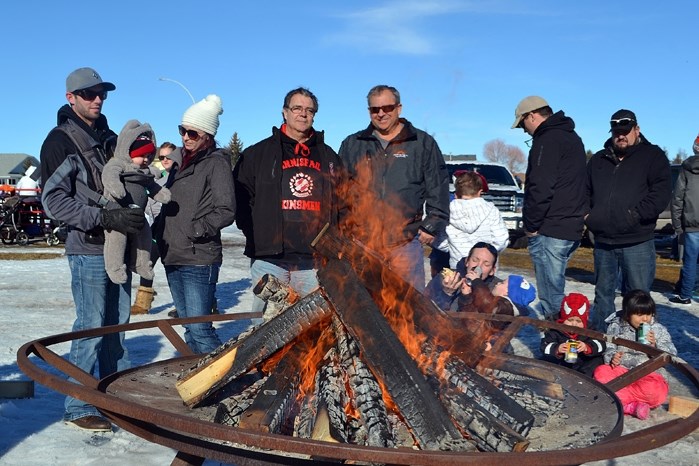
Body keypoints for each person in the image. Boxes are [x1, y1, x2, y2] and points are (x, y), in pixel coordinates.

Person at [40, 67, 144, 432]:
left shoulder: (110, 138)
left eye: (101, 93)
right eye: (88, 94)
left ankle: (116, 396)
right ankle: (78, 405)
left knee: (117, 326)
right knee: (91, 326)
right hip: (87, 249)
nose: (97, 99)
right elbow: (53, 202)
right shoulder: (59, 141)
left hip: (121, 248)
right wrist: (104, 218)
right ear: (71, 98)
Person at [234, 87, 344, 315]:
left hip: (313, 261)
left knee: (311, 328)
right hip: (270, 258)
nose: (303, 114)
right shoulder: (258, 154)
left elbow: (343, 202)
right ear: (285, 112)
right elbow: (241, 198)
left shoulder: (328, 156)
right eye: (297, 108)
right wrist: (256, 234)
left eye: (309, 110)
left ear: (314, 115)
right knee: (264, 328)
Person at [338, 85, 450, 292]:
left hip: (404, 244)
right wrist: (345, 228)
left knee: (408, 307)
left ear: (399, 108)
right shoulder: (354, 144)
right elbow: (339, 190)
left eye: (387, 107)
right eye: (375, 109)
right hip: (363, 243)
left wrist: (431, 225)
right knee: (362, 307)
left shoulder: (421, 143)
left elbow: (438, 187)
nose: (381, 113)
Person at [154, 94, 235, 354]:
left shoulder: (216, 164)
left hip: (198, 257)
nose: (186, 137)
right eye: (183, 130)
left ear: (207, 136)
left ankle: (225, 384)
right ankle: (197, 382)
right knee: (189, 327)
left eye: (193, 133)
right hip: (174, 254)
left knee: (200, 328)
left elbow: (226, 210)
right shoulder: (180, 165)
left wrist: (195, 229)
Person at [585, 110, 672, 330]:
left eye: (625, 131)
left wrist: (635, 216)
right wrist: (589, 217)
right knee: (602, 296)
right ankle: (601, 343)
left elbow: (660, 194)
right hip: (604, 241)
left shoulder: (653, 156)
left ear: (637, 130)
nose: (621, 136)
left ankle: (638, 345)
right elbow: (584, 193)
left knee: (638, 298)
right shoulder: (598, 159)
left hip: (638, 240)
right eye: (616, 132)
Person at [511, 96, 587, 321]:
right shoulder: (571, 137)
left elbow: (540, 185)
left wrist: (532, 225)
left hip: (550, 228)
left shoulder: (547, 140)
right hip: (569, 225)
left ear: (532, 115)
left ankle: (559, 340)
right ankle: (563, 338)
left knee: (551, 294)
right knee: (555, 288)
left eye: (522, 123)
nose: (524, 131)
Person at [101, 122, 171, 285]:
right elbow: (109, 174)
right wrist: (116, 188)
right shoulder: (119, 163)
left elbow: (152, 186)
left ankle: (141, 264)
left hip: (137, 213)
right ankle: (115, 267)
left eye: (149, 156)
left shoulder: (145, 171)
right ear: (129, 152)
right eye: (142, 155)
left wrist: (160, 194)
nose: (146, 160)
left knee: (145, 235)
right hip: (117, 213)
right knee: (117, 240)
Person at [593, 290, 677, 420]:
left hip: (648, 374)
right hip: (622, 372)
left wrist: (655, 347)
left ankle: (619, 401)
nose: (645, 319)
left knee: (655, 390)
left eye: (648, 314)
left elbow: (671, 354)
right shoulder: (616, 326)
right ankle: (631, 406)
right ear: (627, 315)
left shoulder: (658, 329)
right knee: (601, 372)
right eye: (639, 315)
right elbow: (609, 347)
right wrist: (613, 357)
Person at [132, 142, 180, 315]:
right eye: (162, 157)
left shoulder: (179, 177)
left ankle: (193, 304)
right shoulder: (157, 179)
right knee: (147, 262)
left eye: (169, 156)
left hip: (174, 230)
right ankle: (143, 303)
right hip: (156, 228)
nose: (165, 160)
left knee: (175, 267)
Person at [433, 170, 509, 268]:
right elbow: (501, 239)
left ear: (456, 193)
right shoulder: (491, 210)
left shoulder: (448, 212)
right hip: (485, 267)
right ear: (480, 192)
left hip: (458, 265)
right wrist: (489, 254)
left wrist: (452, 249)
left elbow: (441, 241)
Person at [540, 293, 606, 376]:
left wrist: (587, 347)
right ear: (563, 319)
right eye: (570, 320)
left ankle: (584, 381)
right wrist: (557, 349)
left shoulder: (590, 330)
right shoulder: (555, 330)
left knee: (597, 360)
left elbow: (601, 344)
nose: (574, 324)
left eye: (578, 321)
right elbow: (544, 345)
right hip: (562, 364)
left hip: (583, 364)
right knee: (546, 361)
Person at [425, 241, 499, 312]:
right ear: (467, 262)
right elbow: (425, 306)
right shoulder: (445, 277)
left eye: (486, 264)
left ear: (492, 270)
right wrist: (446, 294)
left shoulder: (497, 288)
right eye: (475, 260)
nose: (478, 266)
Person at [669, 134, 699, 305]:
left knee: (690, 261)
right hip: (691, 224)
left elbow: (678, 198)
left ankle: (686, 294)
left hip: (691, 223)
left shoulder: (686, 169)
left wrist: (677, 224)